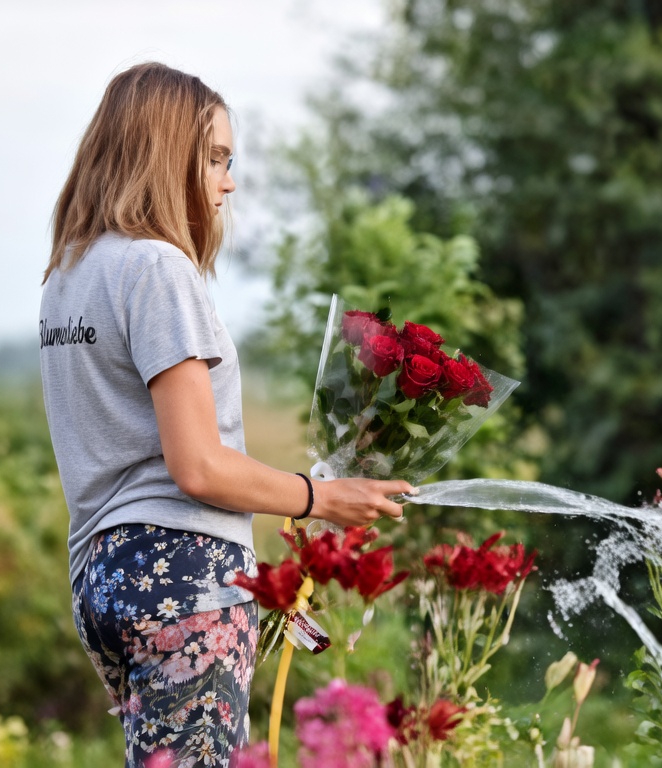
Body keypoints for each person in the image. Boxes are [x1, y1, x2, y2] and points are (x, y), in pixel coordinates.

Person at [38, 62, 412, 767]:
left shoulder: (66, 276)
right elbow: (198, 466)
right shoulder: (157, 269)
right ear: (163, 152)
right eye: (213, 158)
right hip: (184, 575)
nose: (228, 181)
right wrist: (321, 497)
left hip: (100, 576)